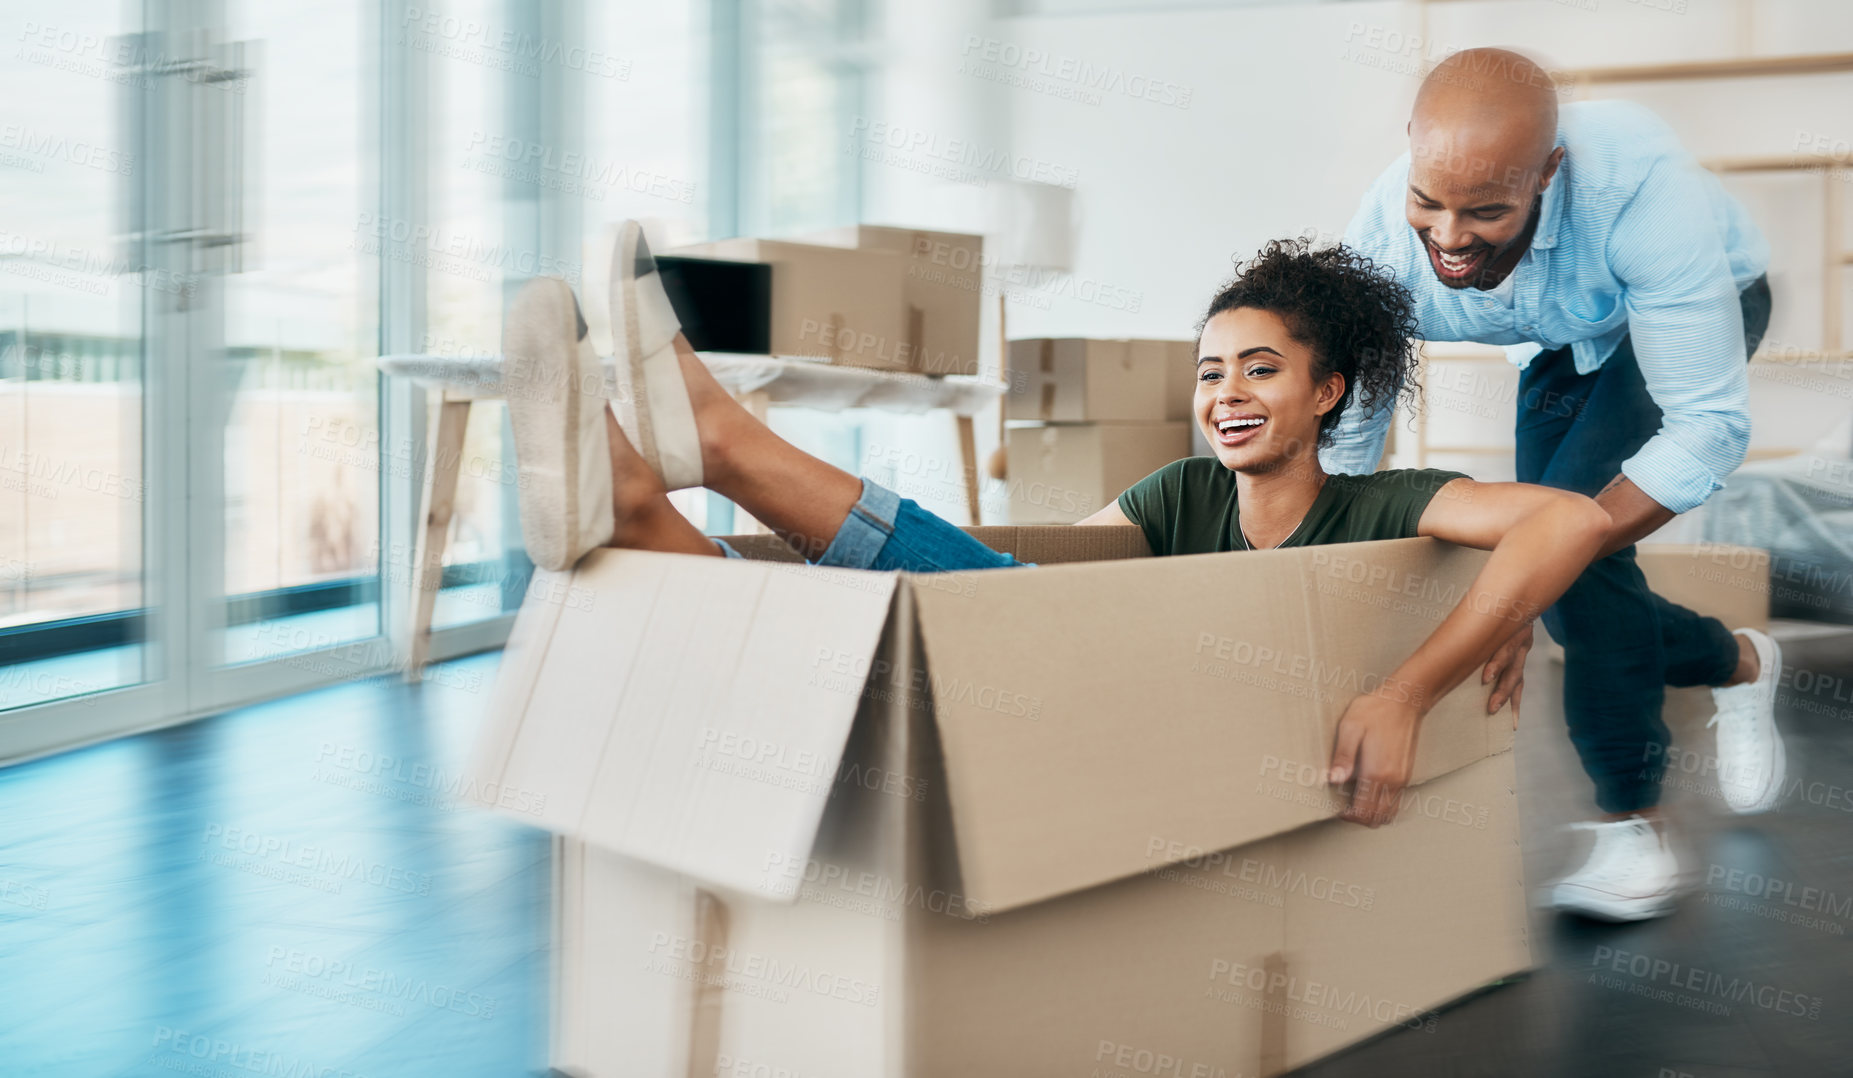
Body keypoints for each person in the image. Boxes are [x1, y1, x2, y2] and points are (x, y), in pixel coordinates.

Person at [393, 222, 1611, 829]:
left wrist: (1410, 684)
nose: (1224, 397)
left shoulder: (1380, 508)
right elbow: (1032, 597)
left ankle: (706, 455)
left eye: (1257, 372)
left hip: (1146, 766)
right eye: (1206, 375)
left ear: (1327, 389)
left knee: (997, 609)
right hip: (1028, 721)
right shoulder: (1172, 498)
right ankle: (651, 516)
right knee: (989, 602)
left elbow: (1561, 517)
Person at [1329, 48, 1781, 919]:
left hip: (1696, 307)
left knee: (1568, 558)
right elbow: (1352, 430)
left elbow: (1706, 427)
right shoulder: (1380, 243)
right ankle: (1738, 661)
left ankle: (1633, 827)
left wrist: (1523, 587)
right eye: (1430, 202)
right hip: (1566, 329)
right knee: (1561, 566)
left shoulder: (1644, 192)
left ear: (1548, 173)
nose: (1451, 238)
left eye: (1488, 210)